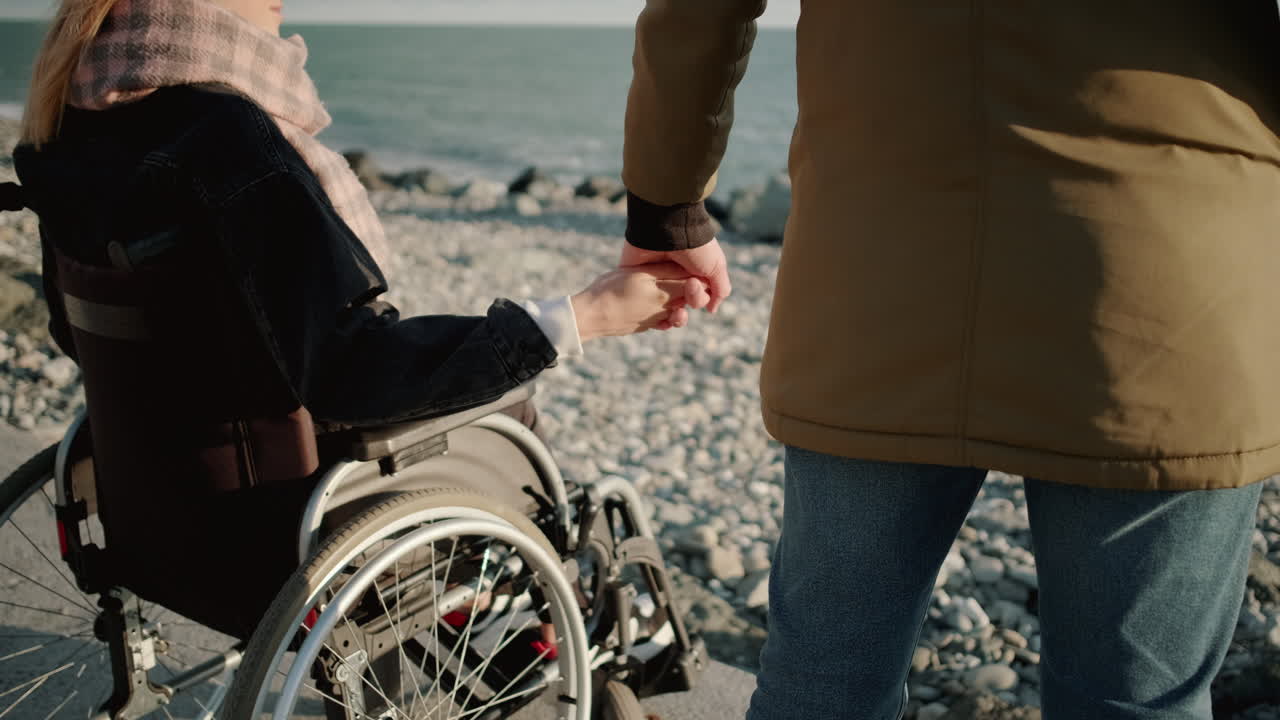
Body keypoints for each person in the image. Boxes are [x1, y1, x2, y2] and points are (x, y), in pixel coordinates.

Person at [617, 1, 1280, 718]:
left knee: (824, 684)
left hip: (878, 268)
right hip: (1168, 272)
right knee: (1135, 701)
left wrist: (667, 205)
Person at [10, 0, 709, 638]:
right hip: (275, 530)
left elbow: (75, 334)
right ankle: (521, 626)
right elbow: (352, 374)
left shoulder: (69, 124)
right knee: (509, 419)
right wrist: (577, 317)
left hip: (155, 512)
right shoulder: (227, 139)